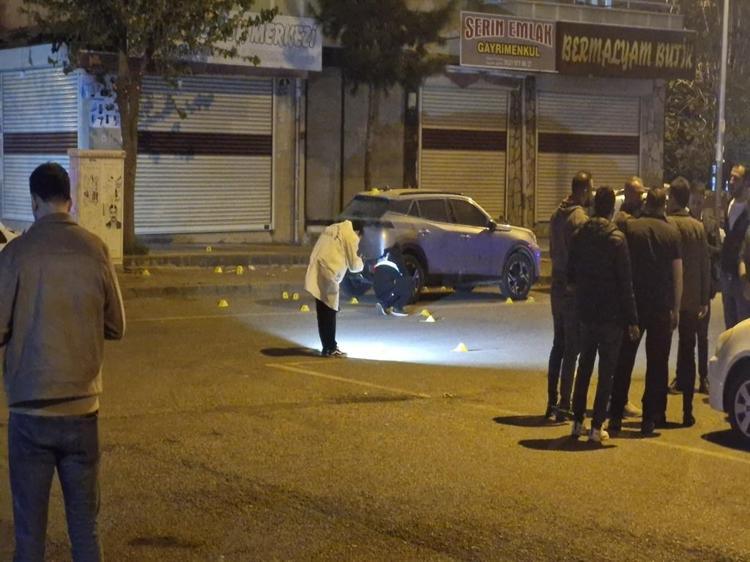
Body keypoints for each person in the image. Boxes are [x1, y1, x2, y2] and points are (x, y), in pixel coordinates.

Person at [0, 162, 126, 561]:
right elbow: (117, 325)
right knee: (85, 529)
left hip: (30, 411)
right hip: (82, 411)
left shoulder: (16, 254)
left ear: (34, 201)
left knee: (30, 534)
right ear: (69, 201)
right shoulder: (96, 249)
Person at [568, 186, 639, 443]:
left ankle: (577, 422)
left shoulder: (580, 234)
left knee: (584, 367)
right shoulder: (617, 239)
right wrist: (632, 320)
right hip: (611, 316)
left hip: (586, 312)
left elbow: (570, 274)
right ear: (612, 208)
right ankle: (597, 426)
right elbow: (625, 283)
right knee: (606, 371)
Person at [609, 188, 682, 436]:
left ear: (646, 204)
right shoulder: (671, 232)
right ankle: (649, 418)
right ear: (663, 205)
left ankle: (615, 414)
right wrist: (676, 308)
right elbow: (677, 274)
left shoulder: (632, 228)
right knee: (657, 362)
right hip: (661, 305)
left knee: (625, 359)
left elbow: (621, 263)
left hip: (635, 304)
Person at [545, 171, 592, 421]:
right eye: (590, 189)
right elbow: (582, 258)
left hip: (556, 285)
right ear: (583, 191)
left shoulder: (556, 214)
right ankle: (565, 403)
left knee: (558, 344)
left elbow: (553, 250)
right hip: (572, 288)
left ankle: (551, 400)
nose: (591, 194)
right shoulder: (579, 219)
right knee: (573, 347)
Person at [667, 177, 710, 426]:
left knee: (661, 351)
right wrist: (704, 298)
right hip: (692, 299)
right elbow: (705, 263)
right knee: (688, 349)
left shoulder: (668, 224)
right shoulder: (697, 227)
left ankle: (657, 410)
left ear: (673, 198)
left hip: (668, 298)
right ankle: (687, 411)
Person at [670, 184, 720, 395]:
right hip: (687, 288)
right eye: (694, 202)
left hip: (702, 287)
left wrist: (703, 247)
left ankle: (703, 376)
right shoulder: (686, 223)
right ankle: (681, 377)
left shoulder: (709, 225)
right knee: (686, 337)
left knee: (701, 336)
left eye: (699, 202)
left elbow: (716, 252)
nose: (697, 206)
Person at [305, 219, 364, 357]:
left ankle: (326, 346)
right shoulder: (351, 235)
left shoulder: (333, 228)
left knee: (322, 309)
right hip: (329, 271)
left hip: (317, 267)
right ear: (359, 232)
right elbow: (354, 266)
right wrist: (362, 261)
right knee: (330, 310)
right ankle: (330, 348)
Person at [719, 164, 750, 329]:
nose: (731, 181)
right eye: (730, 177)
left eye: (736, 178)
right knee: (729, 329)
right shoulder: (728, 204)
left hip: (743, 278)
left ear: (746, 182)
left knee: (743, 330)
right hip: (727, 274)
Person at [373, 244, 412, 317]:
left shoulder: (382, 257)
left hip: (377, 289)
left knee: (394, 283)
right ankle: (396, 307)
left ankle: (384, 303)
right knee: (409, 282)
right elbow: (405, 275)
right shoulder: (397, 257)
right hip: (387, 288)